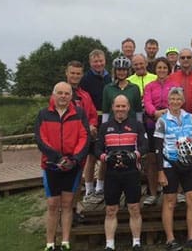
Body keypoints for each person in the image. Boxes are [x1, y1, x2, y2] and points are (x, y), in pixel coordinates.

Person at [35, 82, 89, 251]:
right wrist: (57, 157)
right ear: (53, 95)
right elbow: (40, 138)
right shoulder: (44, 114)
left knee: (67, 203)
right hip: (51, 165)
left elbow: (84, 136)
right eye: (60, 93)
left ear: (71, 96)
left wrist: (74, 158)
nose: (63, 96)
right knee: (52, 204)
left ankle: (65, 240)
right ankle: (50, 242)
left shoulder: (79, 113)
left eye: (67, 93)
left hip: (72, 165)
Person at [155, 88, 192, 250]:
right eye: (172, 99)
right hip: (169, 165)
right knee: (169, 201)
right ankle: (170, 240)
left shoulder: (190, 117)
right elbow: (157, 148)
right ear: (168, 101)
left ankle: (191, 238)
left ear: (183, 101)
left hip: (188, 165)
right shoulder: (162, 120)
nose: (176, 102)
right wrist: (160, 172)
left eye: (179, 99)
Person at [96, 94, 148, 251]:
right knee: (111, 209)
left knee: (134, 207)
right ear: (112, 107)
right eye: (117, 106)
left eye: (123, 106)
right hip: (111, 173)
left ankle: (136, 241)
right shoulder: (105, 126)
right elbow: (97, 148)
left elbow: (145, 146)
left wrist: (135, 155)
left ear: (128, 108)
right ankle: (109, 244)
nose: (120, 109)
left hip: (131, 172)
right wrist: (105, 157)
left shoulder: (137, 125)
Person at [100, 56, 143, 197]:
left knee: (132, 159)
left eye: (124, 69)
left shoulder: (134, 88)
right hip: (112, 128)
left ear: (128, 70)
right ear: (115, 71)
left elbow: (138, 111)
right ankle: (105, 188)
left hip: (130, 128)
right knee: (109, 159)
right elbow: (106, 111)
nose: (121, 72)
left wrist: (140, 127)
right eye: (119, 69)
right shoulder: (108, 88)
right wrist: (103, 129)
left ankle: (133, 190)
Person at [64, 61, 98, 221]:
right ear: (67, 73)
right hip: (65, 142)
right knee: (64, 177)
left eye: (78, 73)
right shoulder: (61, 93)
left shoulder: (85, 95)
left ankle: (74, 209)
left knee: (77, 176)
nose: (75, 76)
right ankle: (63, 211)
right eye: (73, 73)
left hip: (82, 142)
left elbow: (91, 114)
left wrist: (91, 124)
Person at [141, 57, 176, 206]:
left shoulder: (175, 85)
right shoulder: (149, 86)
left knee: (174, 156)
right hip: (152, 124)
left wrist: (167, 113)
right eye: (159, 68)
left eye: (164, 68)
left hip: (171, 124)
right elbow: (147, 102)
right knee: (152, 159)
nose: (162, 70)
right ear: (155, 69)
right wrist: (155, 112)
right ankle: (153, 193)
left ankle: (177, 191)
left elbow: (178, 101)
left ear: (169, 69)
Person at [79, 49, 111, 202]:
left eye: (100, 61)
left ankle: (100, 186)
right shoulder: (85, 80)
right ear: (91, 63)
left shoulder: (109, 77)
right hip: (91, 120)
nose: (98, 64)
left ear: (105, 61)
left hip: (107, 118)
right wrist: (88, 123)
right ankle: (89, 187)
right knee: (91, 156)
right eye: (95, 62)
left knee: (104, 155)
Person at [168, 48, 192, 123]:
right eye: (183, 57)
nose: (185, 59)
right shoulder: (172, 77)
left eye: (188, 57)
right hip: (176, 119)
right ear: (179, 60)